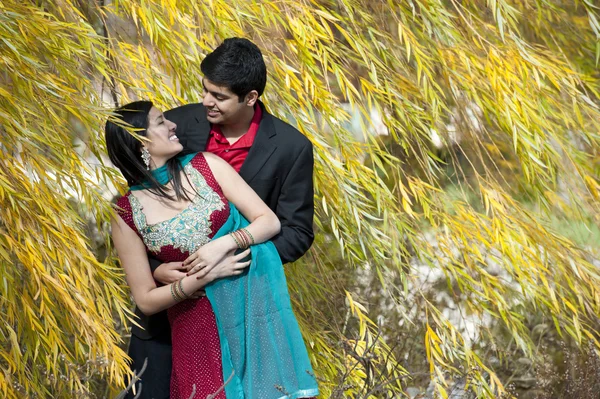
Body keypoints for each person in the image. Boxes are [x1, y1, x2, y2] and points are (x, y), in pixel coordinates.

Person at [125, 38, 316, 398]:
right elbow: (137, 212)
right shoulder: (176, 126)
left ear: (250, 98)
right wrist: (156, 268)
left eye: (219, 96)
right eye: (205, 90)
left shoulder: (292, 148)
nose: (206, 101)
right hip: (169, 317)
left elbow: (297, 231)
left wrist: (234, 257)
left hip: (246, 313)